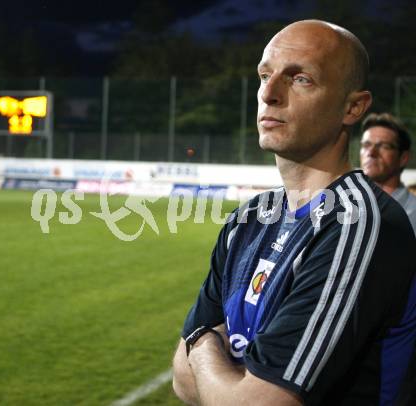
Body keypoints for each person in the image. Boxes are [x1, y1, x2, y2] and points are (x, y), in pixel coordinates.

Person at [172, 19, 416, 406]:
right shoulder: (248, 220)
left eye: (300, 78)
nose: (268, 93)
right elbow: (181, 381)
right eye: (264, 75)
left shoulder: (358, 222)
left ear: (353, 106)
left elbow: (256, 402)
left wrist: (202, 342)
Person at [360, 112, 416, 234]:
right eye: (366, 145)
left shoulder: (413, 213)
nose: (371, 152)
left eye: (384, 146)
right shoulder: (345, 206)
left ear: (403, 158)